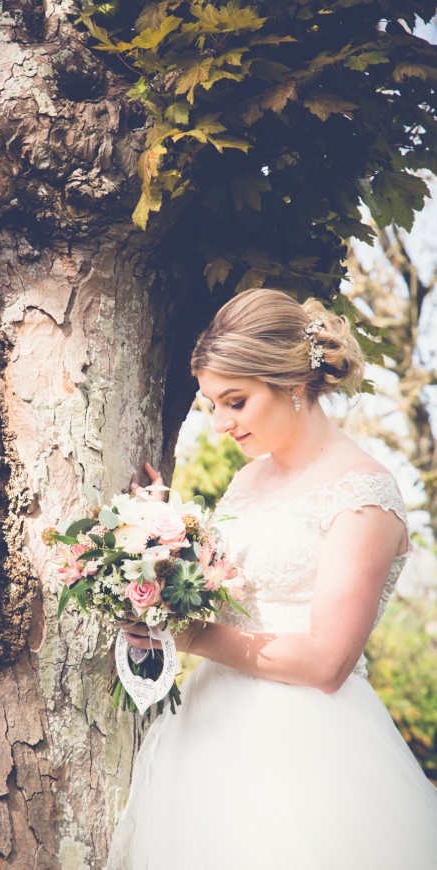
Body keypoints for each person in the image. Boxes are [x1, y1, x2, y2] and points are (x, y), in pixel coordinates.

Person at [106, 288, 437, 870]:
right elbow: (233, 589)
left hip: (304, 747)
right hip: (206, 731)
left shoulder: (365, 496)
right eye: (213, 404)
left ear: (290, 382)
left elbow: (327, 662)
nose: (220, 425)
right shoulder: (246, 483)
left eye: (235, 401)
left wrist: (189, 635)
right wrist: (161, 537)